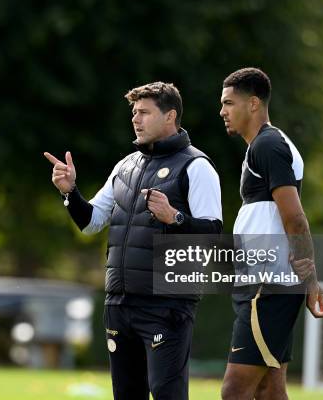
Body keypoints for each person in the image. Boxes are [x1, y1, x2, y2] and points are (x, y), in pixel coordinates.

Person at [44, 82, 222, 400]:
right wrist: (70, 193)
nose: (136, 120)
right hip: (119, 306)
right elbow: (91, 223)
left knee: (167, 393)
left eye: (144, 112)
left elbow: (211, 237)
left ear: (170, 117)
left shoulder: (197, 167)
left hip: (166, 306)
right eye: (134, 113)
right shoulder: (125, 165)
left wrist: (175, 218)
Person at [218, 67, 323, 400]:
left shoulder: (268, 145)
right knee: (269, 389)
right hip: (264, 283)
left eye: (228, 103)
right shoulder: (264, 146)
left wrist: (310, 282)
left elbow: (295, 219)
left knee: (234, 389)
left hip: (267, 286)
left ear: (253, 104)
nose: (222, 111)